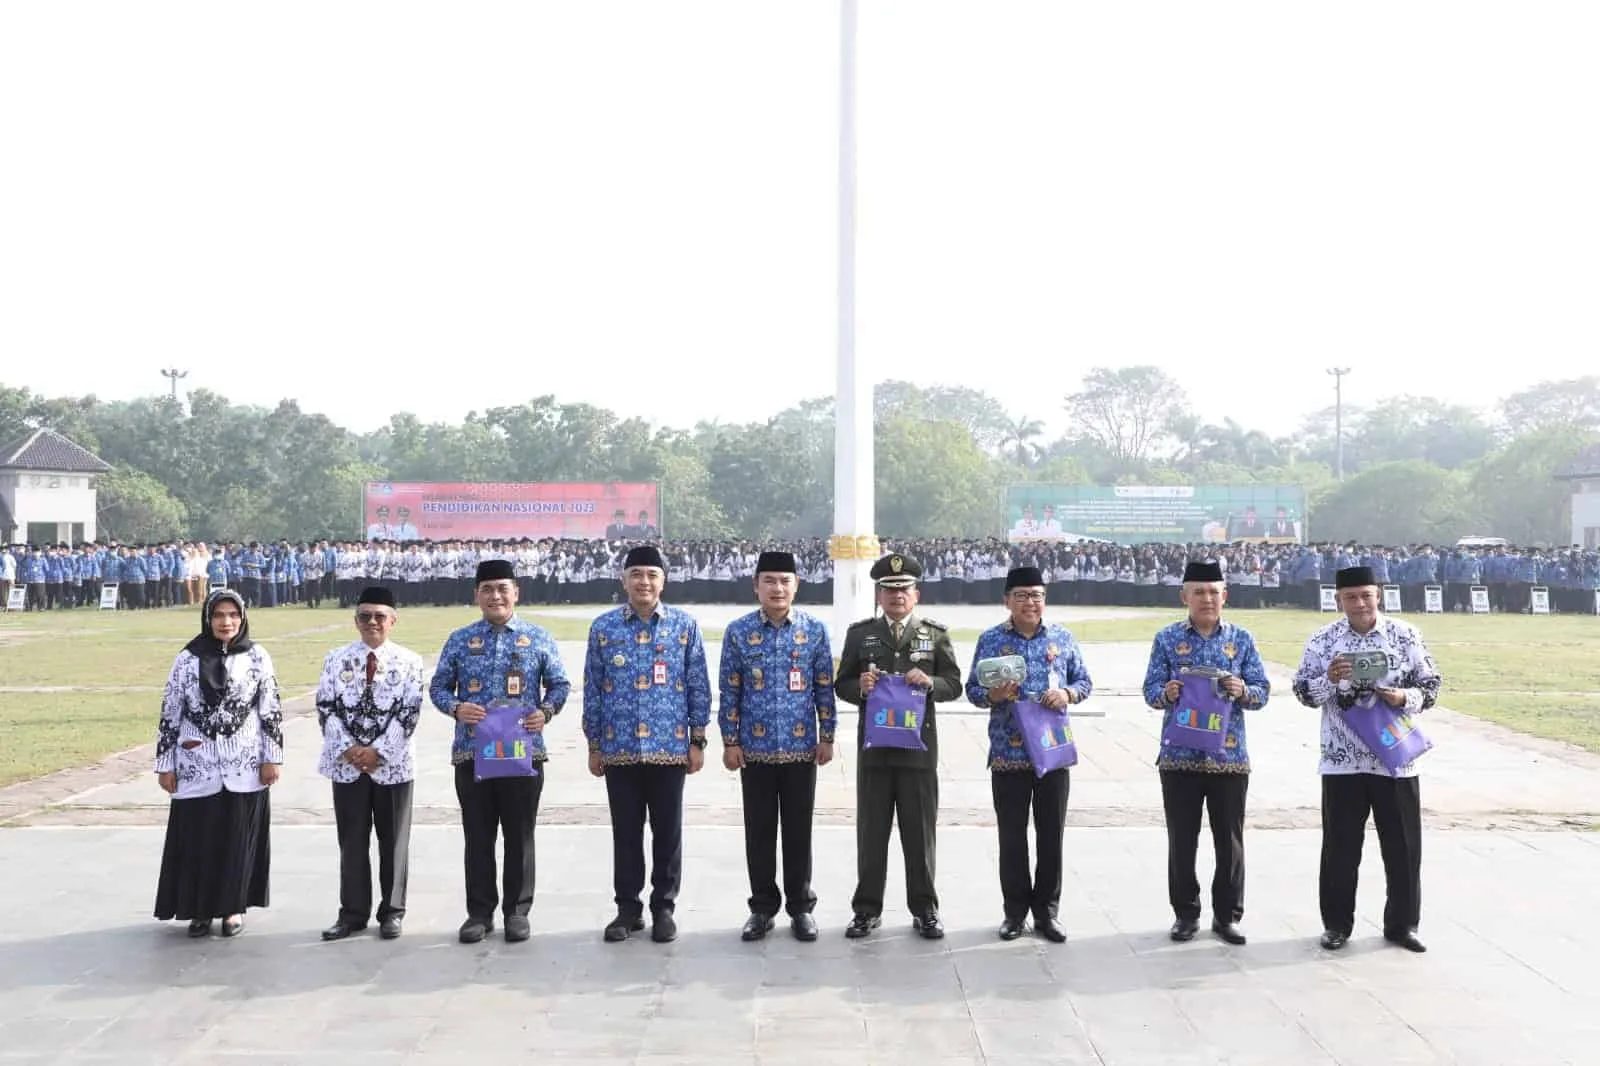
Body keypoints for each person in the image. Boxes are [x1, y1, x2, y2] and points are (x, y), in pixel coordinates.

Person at [1292, 565, 1443, 954]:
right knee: (1340, 848)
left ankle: (1402, 925)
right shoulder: (1323, 640)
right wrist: (1329, 678)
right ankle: (1337, 925)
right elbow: (1304, 692)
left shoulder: (1404, 634)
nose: (1359, 603)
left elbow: (1431, 686)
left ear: (1379, 595)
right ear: (1338, 599)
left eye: (1366, 595)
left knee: (1404, 847)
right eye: (1351, 597)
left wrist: (1400, 696)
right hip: (1343, 761)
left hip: (1396, 760)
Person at [429, 559, 570, 944]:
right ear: (476, 595)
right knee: (478, 835)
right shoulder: (460, 639)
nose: (495, 596)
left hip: (524, 752)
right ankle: (479, 912)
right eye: (487, 589)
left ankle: (517, 911)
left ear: (516, 593)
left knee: (520, 834)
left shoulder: (537, 637)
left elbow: (559, 684)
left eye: (502, 588)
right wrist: (457, 708)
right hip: (472, 753)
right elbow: (438, 687)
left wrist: (546, 712)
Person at [582, 544, 712, 944]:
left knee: (667, 830)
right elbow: (592, 688)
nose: (644, 582)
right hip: (619, 748)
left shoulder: (684, 626)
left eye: (651, 575)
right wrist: (594, 744)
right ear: (624, 580)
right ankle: (627, 907)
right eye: (636, 574)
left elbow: (697, 685)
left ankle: (664, 907)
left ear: (663, 581)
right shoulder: (604, 628)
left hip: (668, 747)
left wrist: (698, 739)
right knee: (626, 830)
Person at [1141, 560, 1270, 945]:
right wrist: (1169, 693)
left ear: (1225, 595)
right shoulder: (1166, 639)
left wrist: (1241, 689)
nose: (1207, 598)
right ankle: (1185, 914)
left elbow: (1261, 692)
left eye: (1214, 591)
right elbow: (1150, 691)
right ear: (1184, 596)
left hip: (1229, 758)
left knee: (1228, 841)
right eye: (1199, 592)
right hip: (1179, 757)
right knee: (1182, 839)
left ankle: (1227, 916)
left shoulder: (1242, 640)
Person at [834, 552, 962, 940]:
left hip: (918, 752)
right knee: (871, 834)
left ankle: (925, 909)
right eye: (889, 590)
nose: (897, 596)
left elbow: (954, 684)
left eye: (904, 589)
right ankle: (866, 909)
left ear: (916, 594)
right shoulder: (861, 634)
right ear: (878, 594)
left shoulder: (934, 635)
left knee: (919, 835)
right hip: (874, 751)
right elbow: (842, 684)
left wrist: (930, 683)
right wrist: (861, 688)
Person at [966, 565, 1092, 943]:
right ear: (1007, 601)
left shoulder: (1062, 638)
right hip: (1009, 753)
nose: (1030, 602)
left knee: (1051, 835)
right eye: (1021, 596)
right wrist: (994, 695)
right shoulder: (990, 641)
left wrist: (1067, 694)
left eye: (1037, 595)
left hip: (1052, 753)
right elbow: (972, 690)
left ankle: (1047, 913)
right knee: (1012, 837)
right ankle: (1014, 913)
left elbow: (1084, 681)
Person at [717, 550, 836, 942]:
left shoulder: (814, 631)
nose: (777, 588)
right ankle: (762, 907)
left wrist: (828, 735)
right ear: (756, 586)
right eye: (769, 580)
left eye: (785, 581)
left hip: (802, 749)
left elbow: (824, 688)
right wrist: (730, 742)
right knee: (760, 832)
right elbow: (729, 691)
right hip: (756, 751)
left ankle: (801, 907)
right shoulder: (738, 632)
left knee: (800, 832)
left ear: (797, 585)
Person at [153, 589, 283, 938]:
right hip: (197, 765)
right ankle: (199, 910)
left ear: (242, 618)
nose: (226, 622)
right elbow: (170, 713)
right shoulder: (186, 659)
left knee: (238, 838)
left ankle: (232, 908)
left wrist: (272, 758)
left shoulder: (257, 657)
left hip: (245, 765)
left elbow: (270, 710)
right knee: (199, 838)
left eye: (233, 615)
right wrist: (166, 764)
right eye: (218, 615)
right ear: (207, 619)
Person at [316, 586, 426, 941]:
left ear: (393, 620)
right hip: (347, 767)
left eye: (380, 616)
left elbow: (409, 713)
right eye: (365, 616)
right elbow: (325, 707)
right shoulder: (336, 658)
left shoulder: (410, 661)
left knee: (393, 842)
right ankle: (352, 913)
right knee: (351, 841)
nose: (372, 623)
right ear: (355, 621)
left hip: (392, 766)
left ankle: (392, 912)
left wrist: (378, 752)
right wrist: (350, 749)